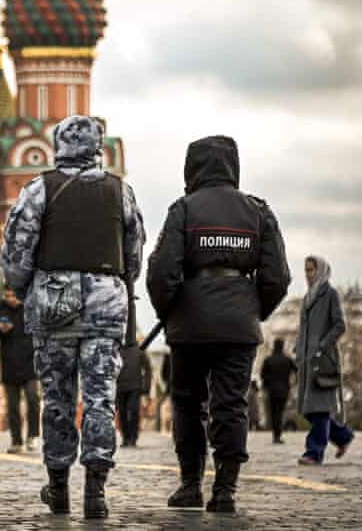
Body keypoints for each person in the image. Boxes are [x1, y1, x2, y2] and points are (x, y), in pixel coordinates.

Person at [1, 116, 145, 519]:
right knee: (100, 397)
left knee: (57, 397)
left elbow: (17, 253)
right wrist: (112, 283)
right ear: (98, 145)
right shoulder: (121, 191)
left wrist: (26, 288)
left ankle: (59, 486)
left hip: (54, 304)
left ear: (58, 145)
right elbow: (134, 255)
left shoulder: (39, 189)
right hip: (106, 305)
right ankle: (96, 490)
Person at [147, 135, 290, 513]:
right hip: (238, 323)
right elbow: (277, 276)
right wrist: (254, 310)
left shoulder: (183, 209)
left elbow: (161, 272)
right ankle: (225, 490)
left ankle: (190, 485)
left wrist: (168, 311)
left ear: (191, 168)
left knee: (187, 404)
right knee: (231, 404)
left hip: (189, 323)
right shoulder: (257, 211)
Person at [296, 256, 354, 465]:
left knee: (319, 408)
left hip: (323, 361)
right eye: (306, 270)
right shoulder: (307, 297)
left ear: (320, 270)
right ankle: (342, 436)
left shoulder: (330, 294)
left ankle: (314, 452)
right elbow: (303, 330)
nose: (308, 274)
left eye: (311, 270)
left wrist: (322, 346)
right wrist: (298, 351)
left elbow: (340, 325)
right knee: (309, 410)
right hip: (307, 362)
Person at [0, 287, 39, 454]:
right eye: (7, 296)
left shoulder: (30, 306)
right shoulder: (0, 308)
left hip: (30, 364)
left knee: (33, 398)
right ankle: (16, 440)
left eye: (14, 296)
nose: (11, 299)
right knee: (13, 406)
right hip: (9, 365)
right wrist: (0, 330)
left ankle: (33, 435)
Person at [261, 338, 297, 444]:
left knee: (273, 412)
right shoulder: (287, 359)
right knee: (280, 412)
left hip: (271, 390)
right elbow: (297, 370)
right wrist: (294, 383)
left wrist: (266, 385)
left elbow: (263, 375)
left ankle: (275, 435)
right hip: (284, 389)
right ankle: (278, 435)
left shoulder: (268, 359)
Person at [117, 344, 152, 447]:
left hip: (135, 387)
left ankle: (133, 437)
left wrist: (146, 387)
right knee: (122, 413)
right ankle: (126, 437)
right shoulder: (117, 351)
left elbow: (148, 369)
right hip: (120, 386)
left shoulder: (139, 352)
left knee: (133, 411)